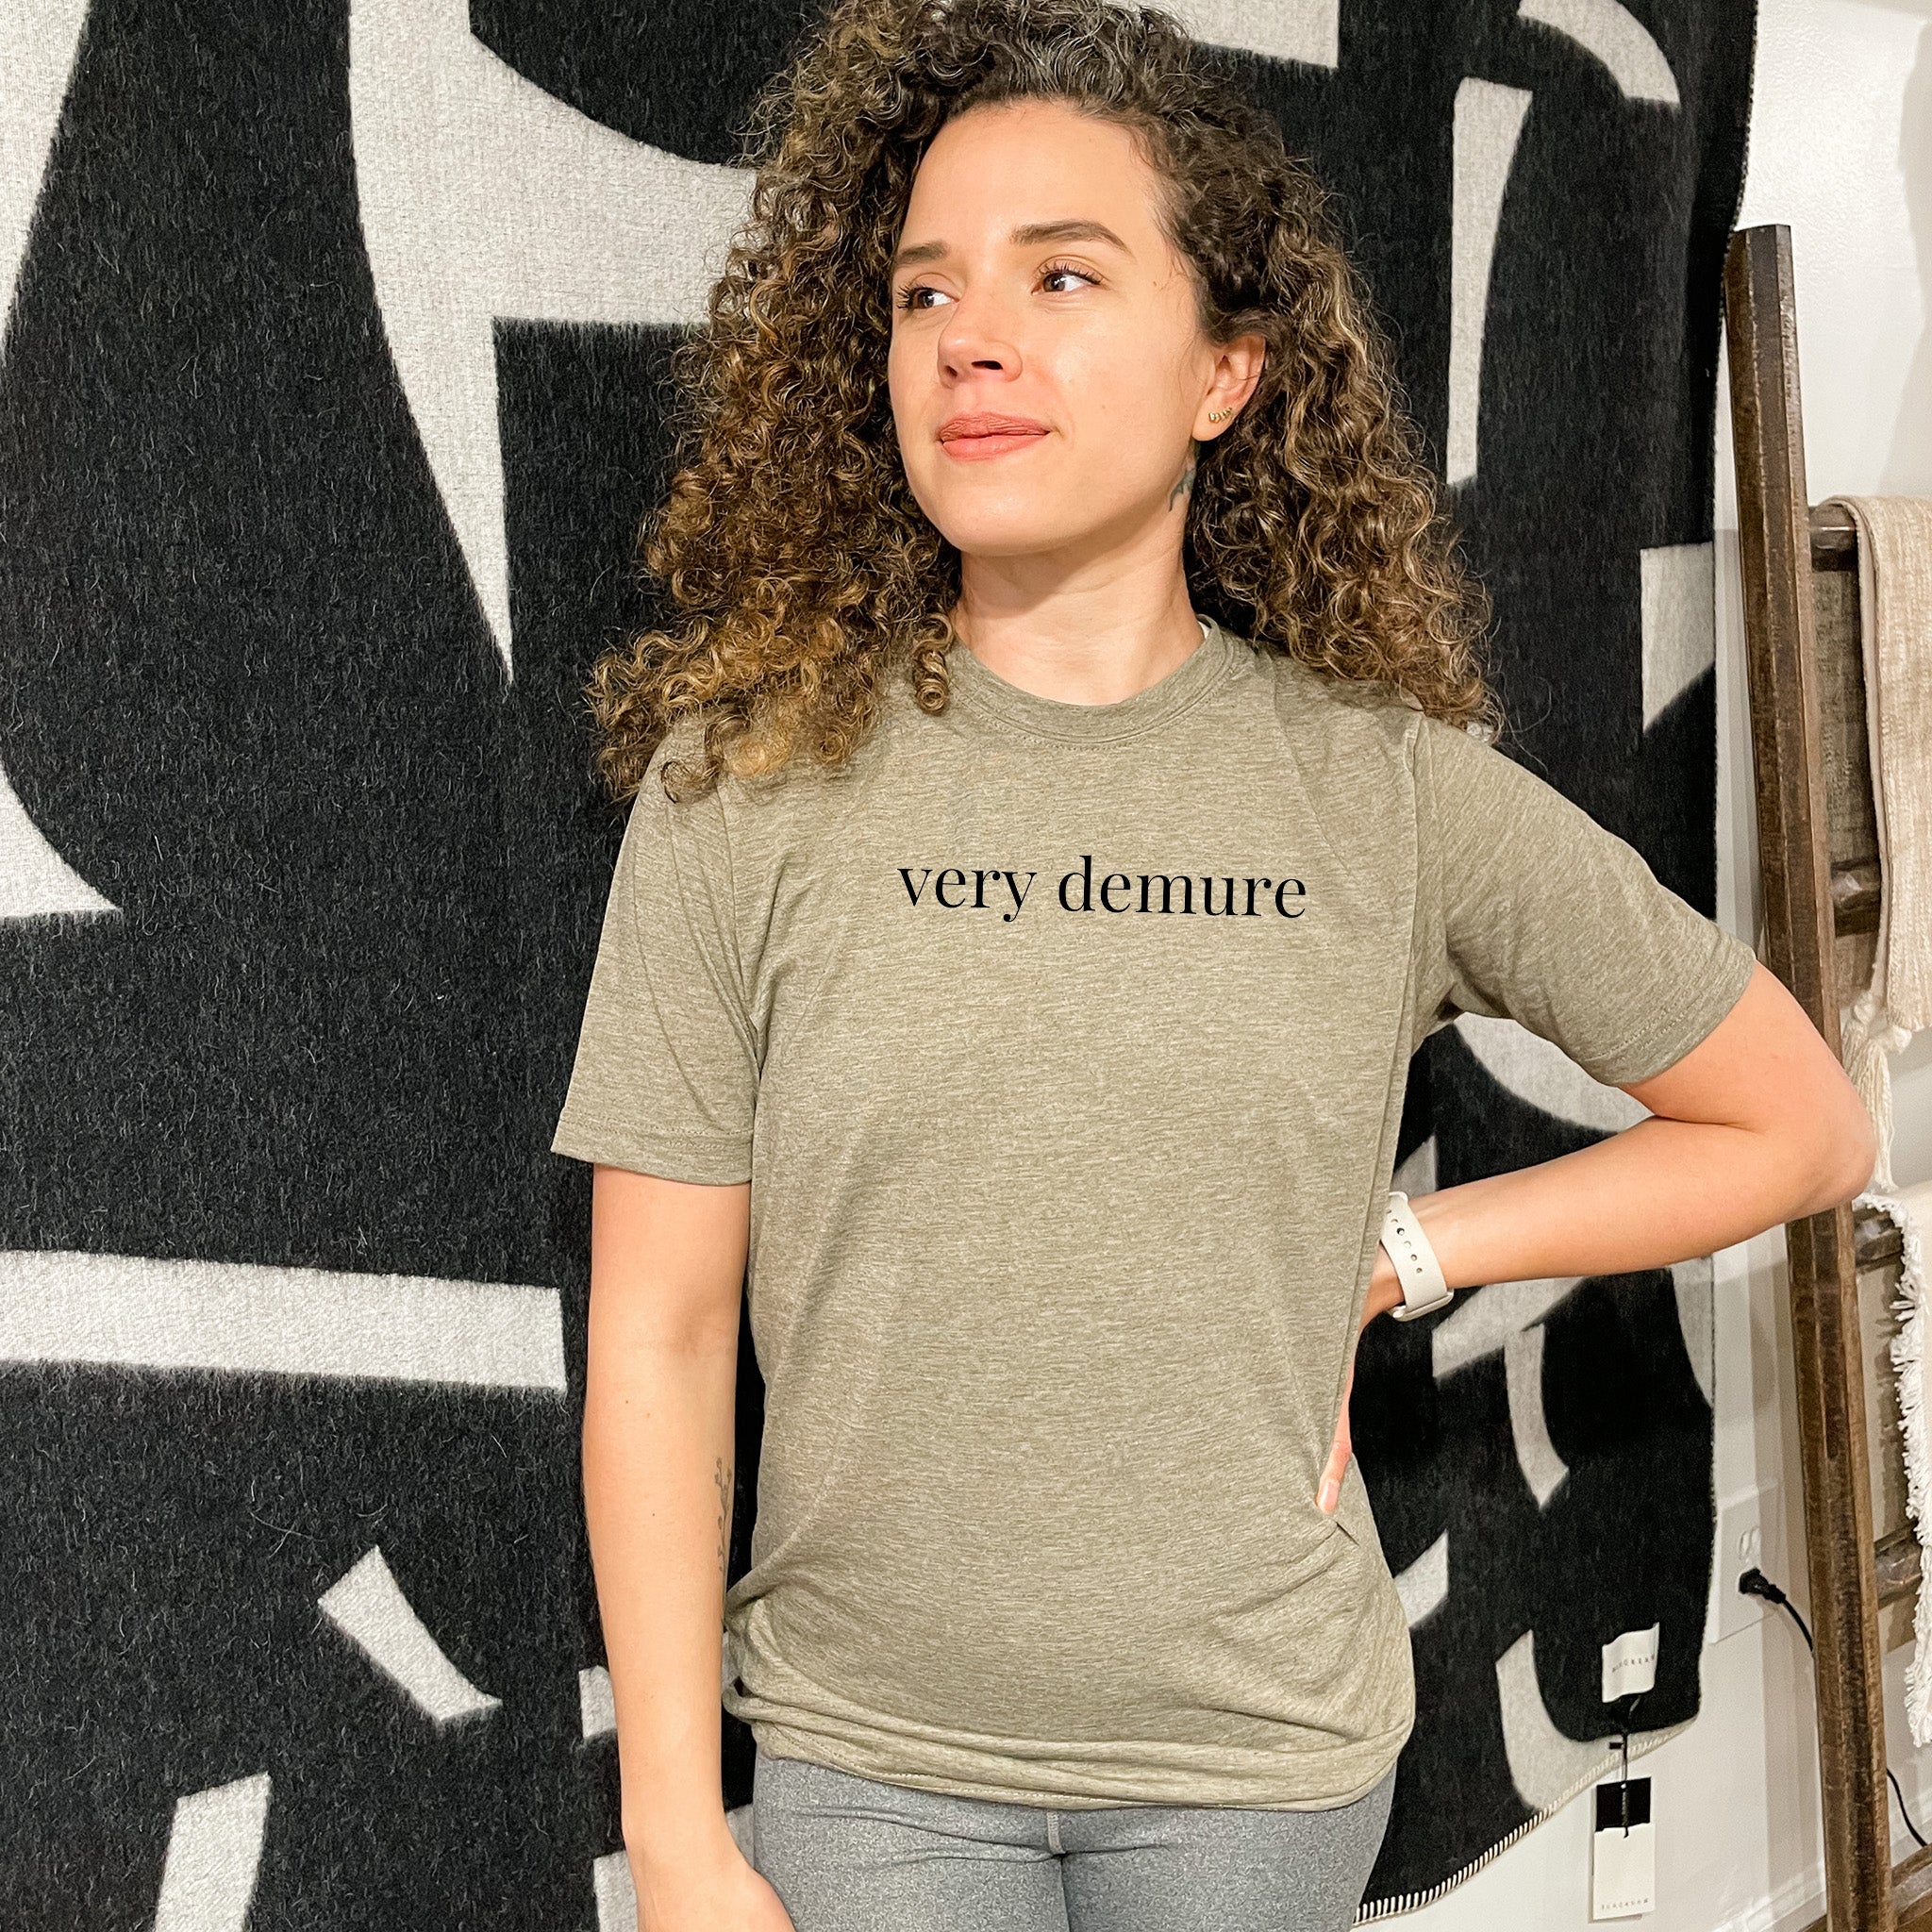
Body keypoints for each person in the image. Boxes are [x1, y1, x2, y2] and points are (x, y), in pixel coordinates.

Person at [548, 2, 1876, 1926]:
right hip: (873, 1773)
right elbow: (658, 1335)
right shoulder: (744, 783)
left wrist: (1414, 1255)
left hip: (1258, 1771)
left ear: (1225, 370)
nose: (970, 340)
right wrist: (677, 1828)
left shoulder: (1384, 794)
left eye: (1061, 275)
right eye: (923, 294)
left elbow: (1801, 1122)